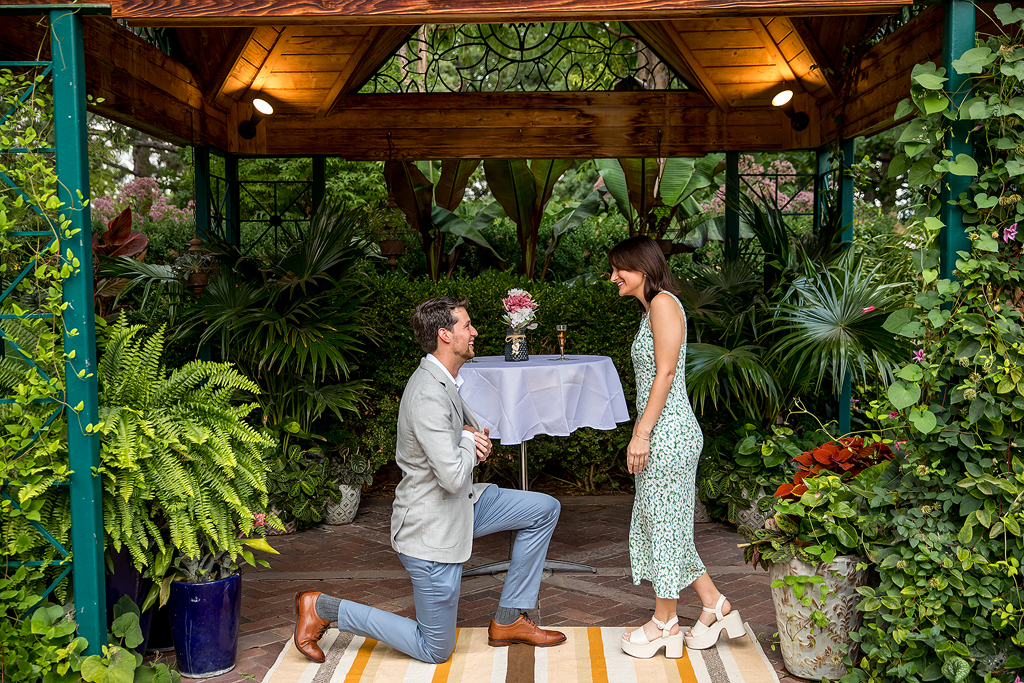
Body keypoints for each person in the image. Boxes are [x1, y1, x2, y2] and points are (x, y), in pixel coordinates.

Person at [292, 296, 566, 665]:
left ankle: (509, 618)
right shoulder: (426, 393)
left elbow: (459, 445)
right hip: (431, 530)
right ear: (444, 335)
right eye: (467, 326)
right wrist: (469, 442)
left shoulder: (445, 378)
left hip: (462, 505)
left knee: (543, 509)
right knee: (434, 649)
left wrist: (473, 441)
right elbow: (453, 476)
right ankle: (323, 607)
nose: (475, 332)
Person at [609, 236, 745, 658]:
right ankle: (715, 606)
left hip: (668, 434)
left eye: (620, 269)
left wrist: (641, 433)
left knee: (663, 527)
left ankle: (665, 623)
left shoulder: (664, 303)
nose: (614, 277)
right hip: (664, 431)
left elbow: (665, 374)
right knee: (664, 525)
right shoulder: (651, 309)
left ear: (644, 270)